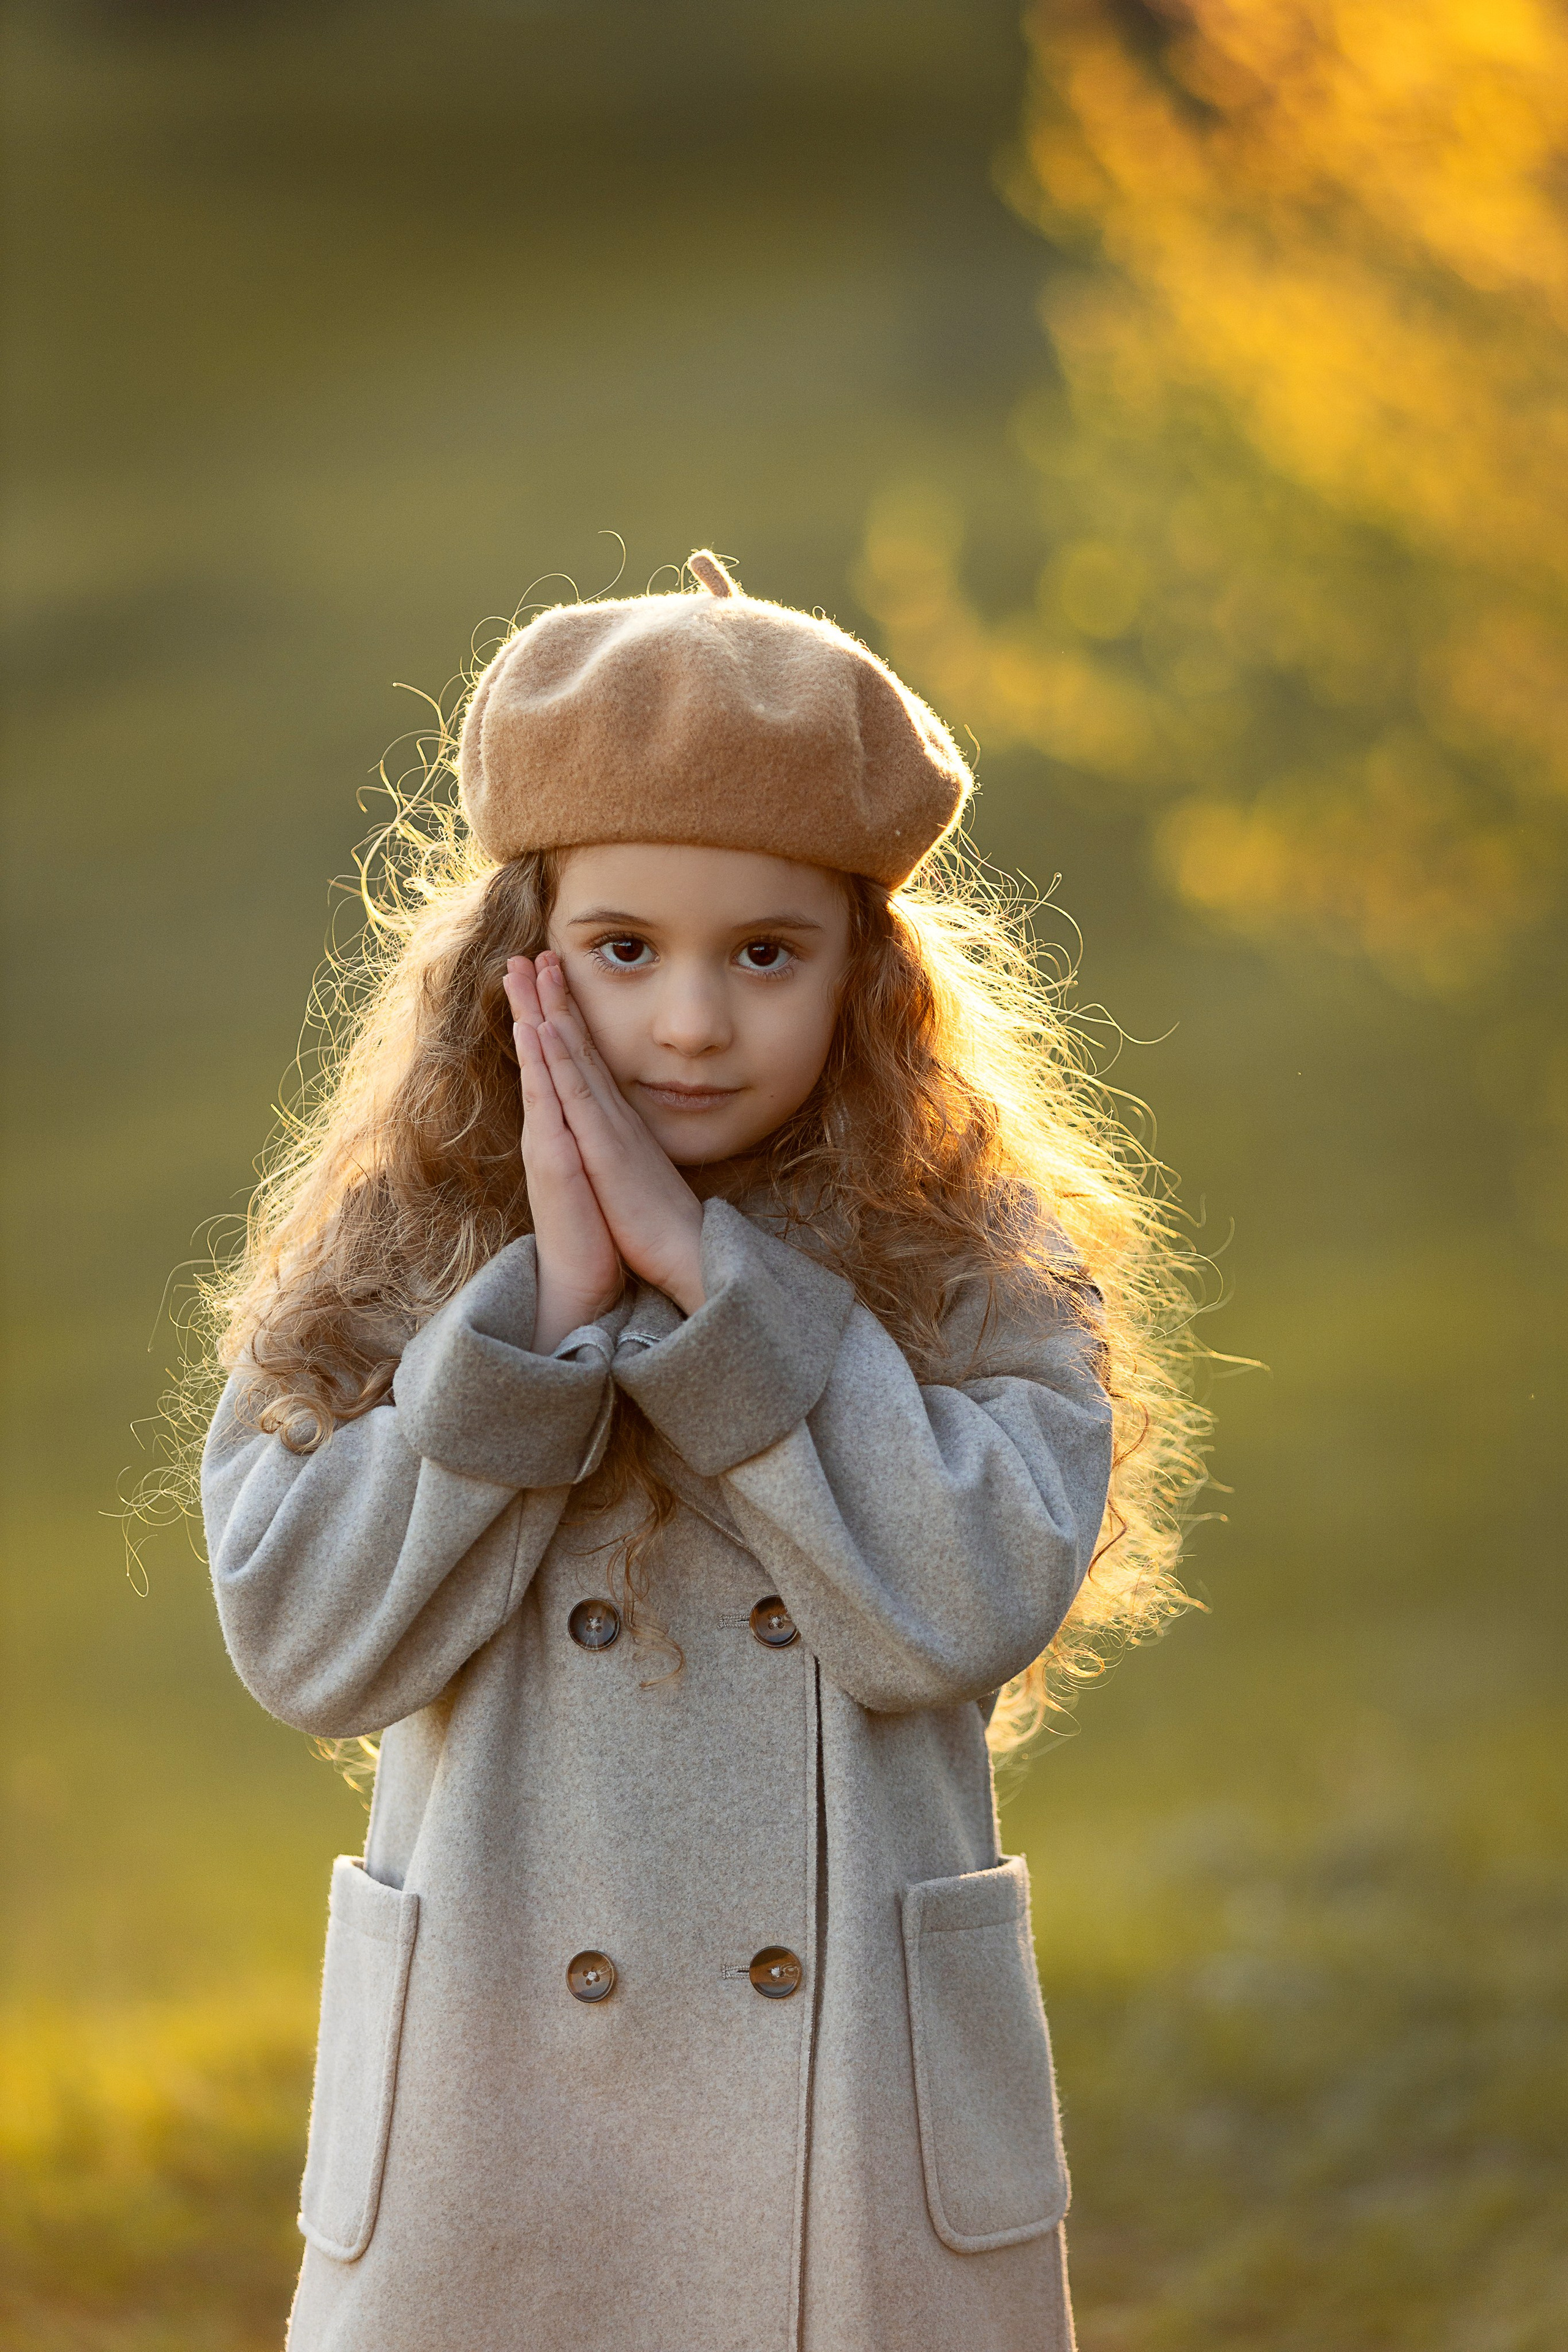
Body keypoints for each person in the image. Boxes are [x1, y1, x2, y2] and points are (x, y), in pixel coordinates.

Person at [200, 551, 1202, 2351]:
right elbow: (303, 1640)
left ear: (866, 976)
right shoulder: (393, 1258)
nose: (688, 1022)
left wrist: (711, 1292)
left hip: (853, 2151)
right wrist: (537, 1326)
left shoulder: (980, 1264)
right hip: (492, 2150)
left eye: (764, 954)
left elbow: (958, 1604)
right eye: (623, 951)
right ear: (519, 962)